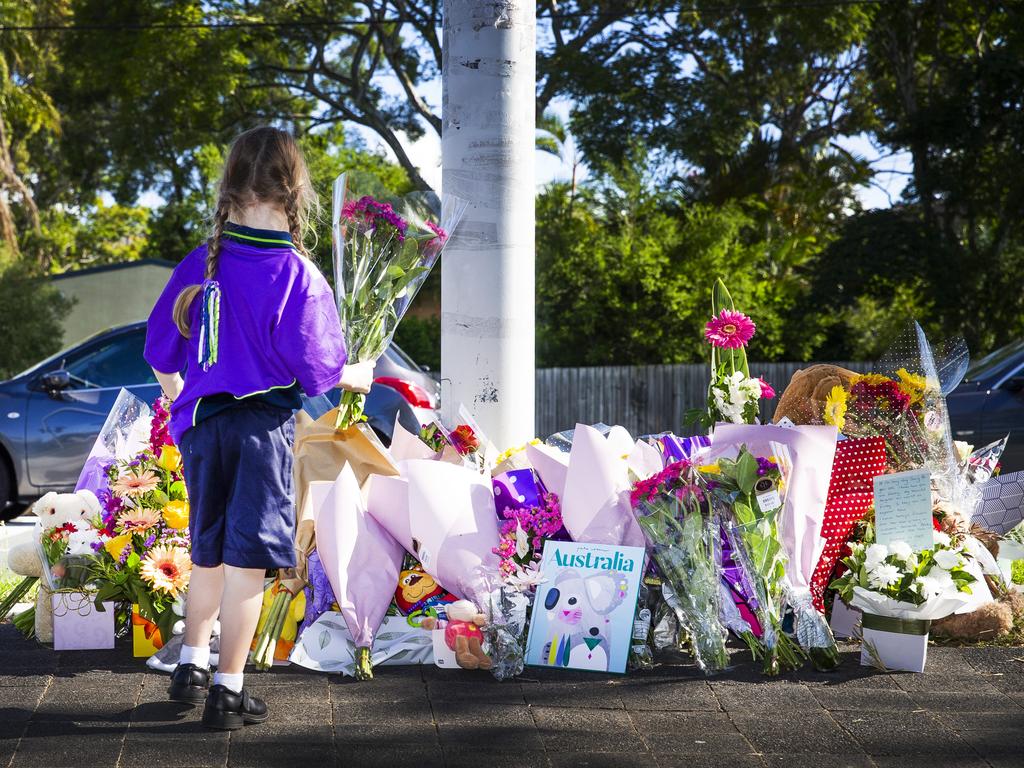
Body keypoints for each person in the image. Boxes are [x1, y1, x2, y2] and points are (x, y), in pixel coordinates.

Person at [144, 126, 375, 730]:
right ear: (296, 189)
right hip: (260, 431)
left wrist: (182, 412)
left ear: (229, 188)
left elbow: (159, 354)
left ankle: (191, 664)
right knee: (247, 563)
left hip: (202, 429)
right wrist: (358, 373)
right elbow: (319, 368)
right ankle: (227, 689)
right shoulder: (298, 274)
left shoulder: (201, 263)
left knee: (208, 554)